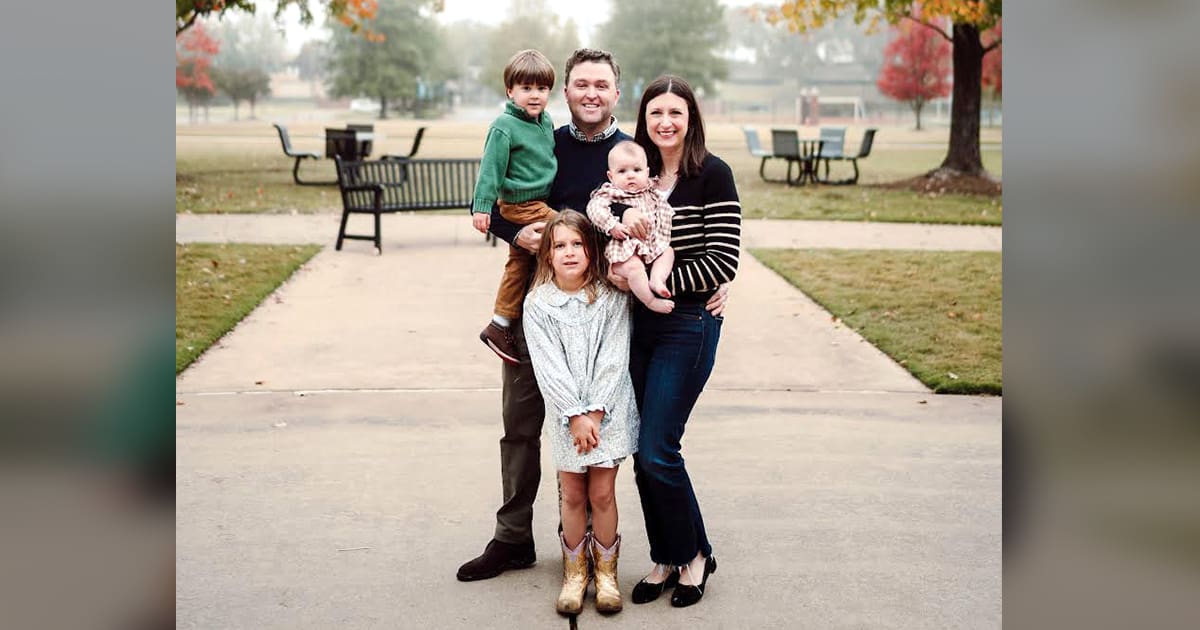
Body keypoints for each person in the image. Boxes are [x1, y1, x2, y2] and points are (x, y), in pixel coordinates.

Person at [455, 49, 731, 583]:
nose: (590, 93)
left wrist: (714, 284)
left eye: (601, 84)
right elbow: (505, 202)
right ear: (566, 91)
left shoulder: (633, 154)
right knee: (521, 424)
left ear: (617, 93)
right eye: (580, 83)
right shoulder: (542, 141)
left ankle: (580, 548)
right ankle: (512, 538)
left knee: (592, 427)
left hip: (609, 316)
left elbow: (673, 228)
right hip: (541, 309)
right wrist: (512, 234)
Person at [626, 75, 741, 609]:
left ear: (691, 117)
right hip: (637, 327)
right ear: (644, 121)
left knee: (658, 451)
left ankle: (696, 555)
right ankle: (666, 557)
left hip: (688, 325)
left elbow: (723, 260)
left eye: (675, 112)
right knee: (646, 453)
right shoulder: (635, 177)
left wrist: (656, 285)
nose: (665, 123)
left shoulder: (712, 175)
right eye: (655, 114)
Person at [522, 209, 639, 615]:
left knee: (602, 492)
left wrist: (596, 412)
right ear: (547, 256)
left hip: (608, 409)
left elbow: (613, 357)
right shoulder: (538, 304)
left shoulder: (610, 298)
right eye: (559, 246)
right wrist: (574, 414)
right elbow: (548, 366)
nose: (569, 253)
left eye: (577, 244)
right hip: (566, 415)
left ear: (591, 250)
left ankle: (606, 575)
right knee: (572, 493)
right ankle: (576, 574)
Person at [470, 49, 558, 365]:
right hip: (522, 204)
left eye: (542, 89)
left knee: (518, 263)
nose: (535, 96)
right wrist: (482, 207)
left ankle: (500, 323)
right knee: (569, 231)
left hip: (539, 202)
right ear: (510, 90)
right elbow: (491, 169)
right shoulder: (504, 126)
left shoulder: (546, 122)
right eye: (526, 88)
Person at [585, 140, 675, 314]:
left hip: (650, 246)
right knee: (635, 268)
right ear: (611, 176)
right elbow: (593, 208)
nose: (630, 176)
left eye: (637, 170)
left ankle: (657, 279)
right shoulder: (611, 192)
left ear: (647, 172)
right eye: (622, 171)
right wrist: (612, 225)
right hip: (624, 250)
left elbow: (665, 211)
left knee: (668, 252)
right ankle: (650, 300)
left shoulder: (651, 191)